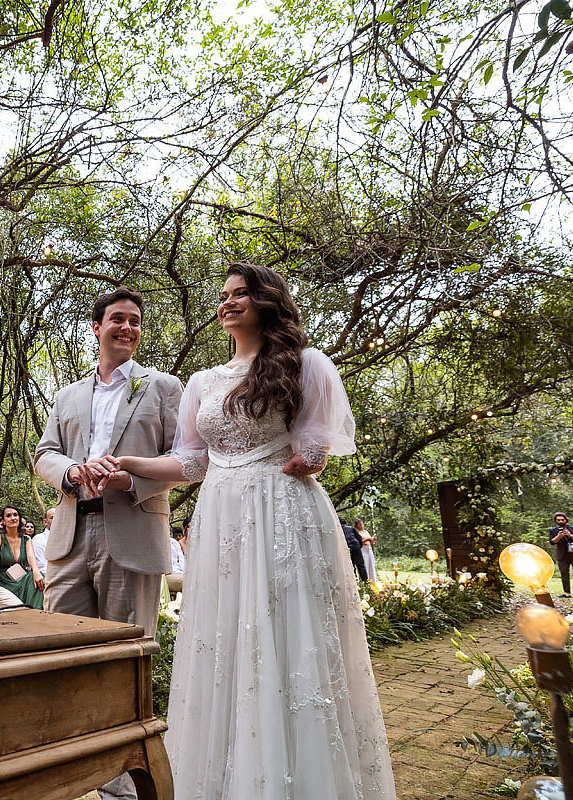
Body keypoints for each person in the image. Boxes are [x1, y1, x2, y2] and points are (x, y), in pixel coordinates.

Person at [100, 263, 395, 798]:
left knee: (287, 633)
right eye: (224, 295)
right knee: (225, 637)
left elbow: (313, 448)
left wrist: (308, 458)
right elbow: (190, 462)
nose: (228, 302)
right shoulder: (202, 382)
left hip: (282, 513)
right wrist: (133, 464)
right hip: (219, 517)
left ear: (267, 301)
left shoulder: (306, 364)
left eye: (241, 294)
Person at [34, 286, 181, 800]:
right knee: (60, 655)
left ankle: (120, 789)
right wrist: (72, 471)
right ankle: (68, 778)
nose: (127, 328)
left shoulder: (163, 386)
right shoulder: (68, 395)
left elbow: (184, 460)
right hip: (70, 536)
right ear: (96, 328)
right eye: (117, 319)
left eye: (135, 321)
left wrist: (128, 479)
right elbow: (44, 453)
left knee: (124, 663)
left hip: (133, 531)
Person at [0, 505, 44, 608]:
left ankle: (36, 615)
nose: (13, 518)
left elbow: (31, 557)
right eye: (8, 516)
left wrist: (36, 572)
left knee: (37, 578)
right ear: (3, 521)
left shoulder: (26, 539)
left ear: (19, 518)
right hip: (4, 580)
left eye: (15, 515)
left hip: (22, 577)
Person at [549, 512, 573, 597]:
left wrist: (570, 535)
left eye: (562, 520)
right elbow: (552, 542)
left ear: (566, 520)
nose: (561, 521)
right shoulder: (553, 530)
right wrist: (559, 536)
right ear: (555, 521)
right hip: (562, 555)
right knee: (564, 573)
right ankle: (567, 592)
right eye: (558, 520)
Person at [31, 506, 54, 576]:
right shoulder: (38, 540)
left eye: (59, 517)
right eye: (52, 518)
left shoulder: (67, 539)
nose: (57, 520)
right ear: (45, 522)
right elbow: (42, 567)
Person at [166, 527, 186, 594]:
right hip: (168, 574)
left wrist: (184, 572)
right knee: (190, 582)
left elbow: (181, 558)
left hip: (180, 572)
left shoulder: (174, 542)